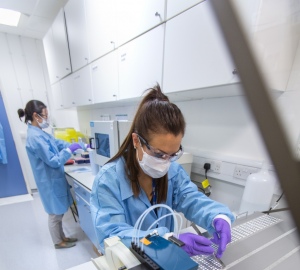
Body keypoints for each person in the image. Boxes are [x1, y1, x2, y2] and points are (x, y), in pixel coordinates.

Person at [90, 85, 235, 257]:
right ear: (136, 141)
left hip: (165, 263)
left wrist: (218, 216)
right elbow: (111, 235)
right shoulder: (108, 180)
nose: (165, 163)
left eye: (172, 154)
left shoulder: (173, 171)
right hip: (129, 266)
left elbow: (192, 199)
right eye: (158, 154)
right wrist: (166, 240)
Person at [18, 100, 82, 249]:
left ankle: (63, 237)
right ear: (35, 115)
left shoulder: (39, 133)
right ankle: (58, 242)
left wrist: (74, 145)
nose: (47, 119)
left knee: (58, 213)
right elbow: (53, 161)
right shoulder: (35, 137)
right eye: (45, 115)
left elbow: (56, 143)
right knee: (55, 214)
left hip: (52, 178)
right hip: (48, 181)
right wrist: (69, 150)